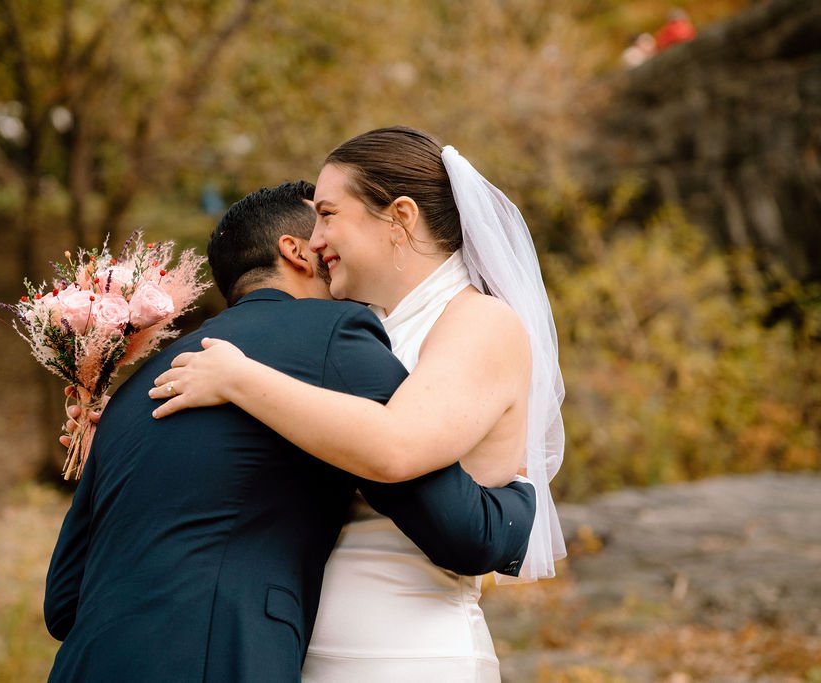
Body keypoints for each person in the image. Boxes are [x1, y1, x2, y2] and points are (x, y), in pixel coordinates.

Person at [45, 181, 536, 681]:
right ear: (297, 251)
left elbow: (63, 602)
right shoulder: (330, 334)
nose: (330, 242)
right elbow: (463, 534)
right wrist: (517, 492)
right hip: (219, 660)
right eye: (320, 222)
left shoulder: (135, 390)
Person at [148, 126, 567, 681]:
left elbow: (396, 447)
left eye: (327, 214)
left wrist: (238, 379)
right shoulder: (362, 333)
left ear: (399, 216)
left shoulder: (480, 321)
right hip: (298, 647)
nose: (314, 240)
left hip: (404, 654)